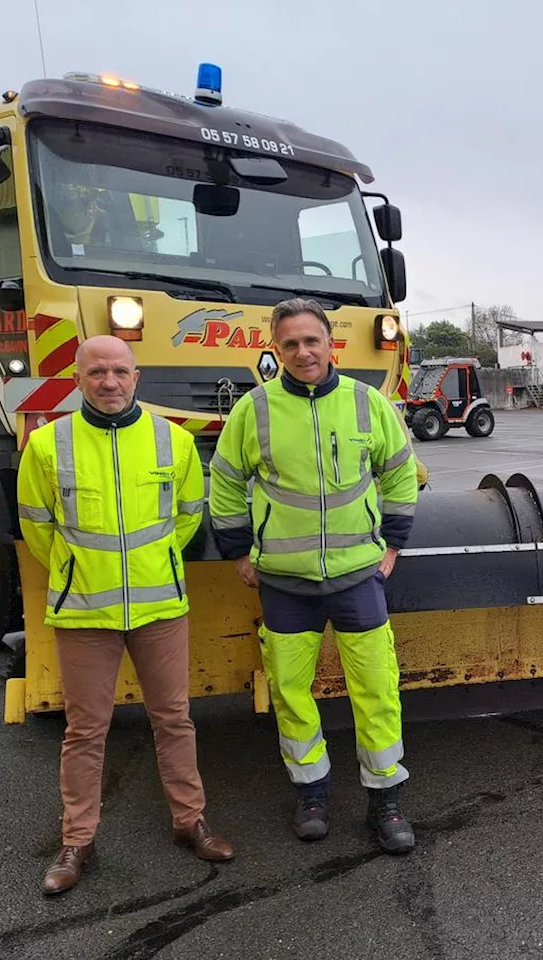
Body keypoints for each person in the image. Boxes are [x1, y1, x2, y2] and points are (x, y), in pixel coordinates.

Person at [16, 334, 235, 896]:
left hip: (159, 606)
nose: (109, 382)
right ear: (77, 378)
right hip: (85, 612)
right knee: (85, 730)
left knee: (174, 718)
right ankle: (77, 841)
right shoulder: (46, 445)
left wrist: (153, 563)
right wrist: (78, 575)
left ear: (136, 376)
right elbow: (38, 528)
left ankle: (190, 822)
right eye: (96, 373)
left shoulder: (173, 441)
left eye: (119, 371)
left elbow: (189, 517)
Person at [209, 297, 419, 854]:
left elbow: (400, 475)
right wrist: (237, 552)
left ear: (331, 344)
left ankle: (387, 800)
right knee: (291, 692)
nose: (303, 352)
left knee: (376, 689)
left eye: (312, 341)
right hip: (284, 584)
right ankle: (311, 792)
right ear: (275, 350)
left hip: (358, 579)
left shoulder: (368, 404)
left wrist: (392, 547)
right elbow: (225, 483)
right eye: (291, 343)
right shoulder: (253, 411)